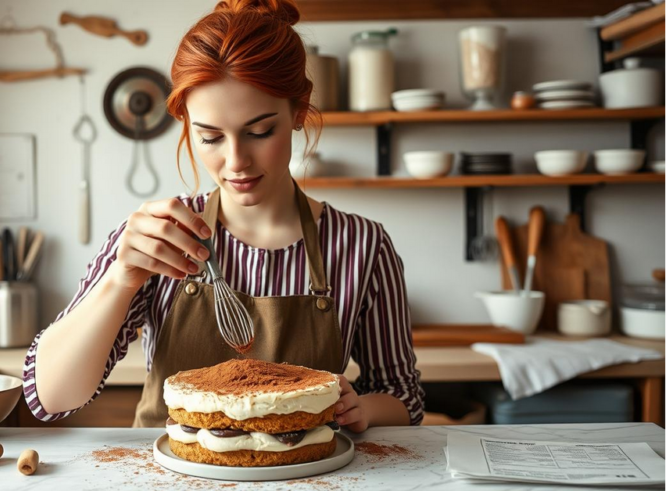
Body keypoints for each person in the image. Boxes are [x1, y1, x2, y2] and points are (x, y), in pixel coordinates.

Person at [24, 0, 423, 432]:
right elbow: (50, 398)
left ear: (299, 111)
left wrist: (363, 408)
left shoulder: (362, 245)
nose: (235, 161)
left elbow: (404, 396)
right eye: (210, 137)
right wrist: (121, 279)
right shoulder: (158, 236)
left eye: (259, 132)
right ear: (187, 125)